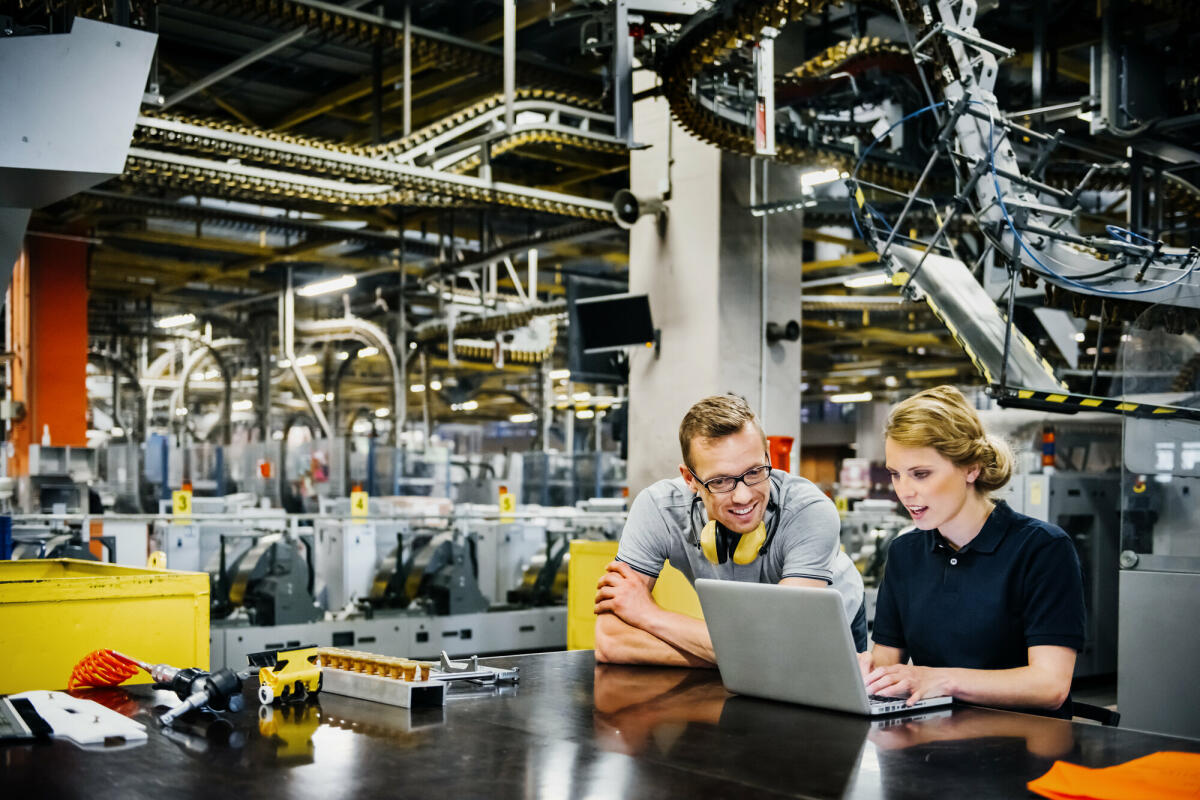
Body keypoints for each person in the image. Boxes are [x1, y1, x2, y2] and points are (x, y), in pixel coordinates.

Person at [859, 385, 1086, 717]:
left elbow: (1050, 685)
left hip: (1021, 751)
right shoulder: (904, 553)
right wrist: (866, 670)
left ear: (972, 468)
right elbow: (886, 665)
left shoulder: (1042, 549)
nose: (904, 492)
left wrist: (943, 681)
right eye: (896, 475)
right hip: (930, 747)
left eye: (921, 474)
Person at [594, 394, 866, 666]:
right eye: (721, 481)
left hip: (830, 627)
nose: (743, 496)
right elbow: (611, 641)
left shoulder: (809, 511)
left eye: (754, 471)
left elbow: (783, 644)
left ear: (768, 455)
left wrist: (648, 614)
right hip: (742, 637)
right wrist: (740, 656)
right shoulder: (659, 508)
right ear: (690, 479)